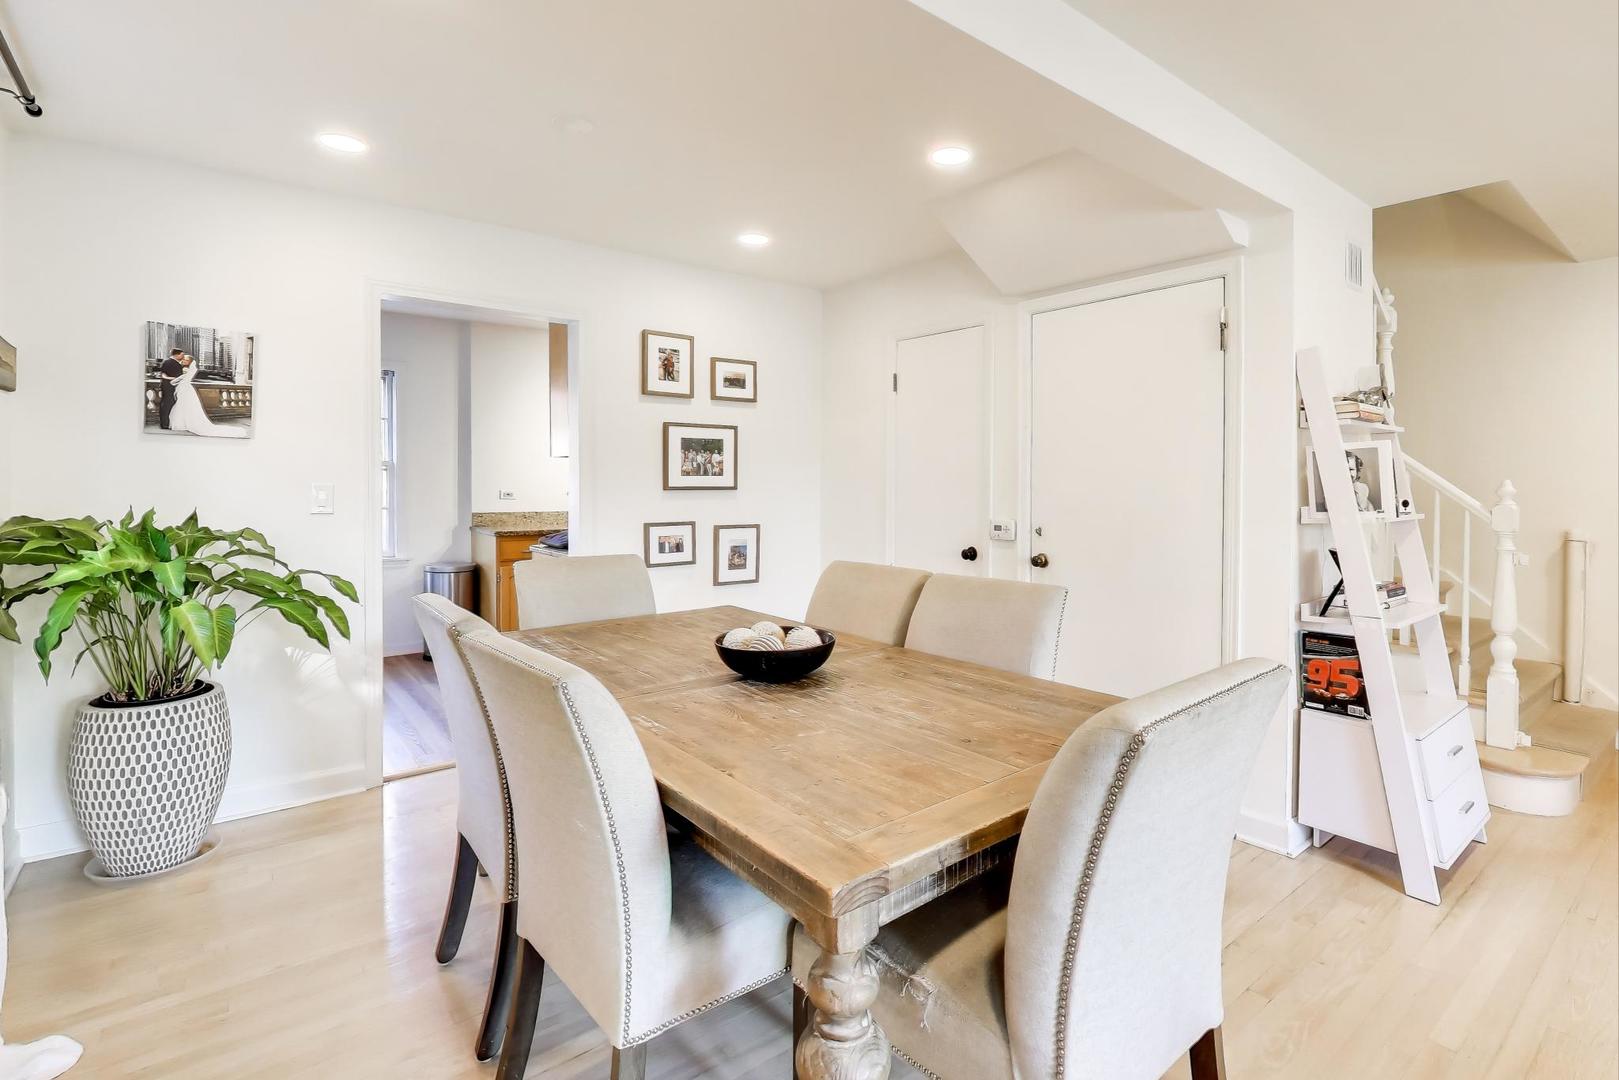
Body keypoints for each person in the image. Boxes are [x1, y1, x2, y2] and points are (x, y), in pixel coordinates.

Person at [167, 355, 248, 438]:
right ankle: (184, 422)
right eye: (184, 359)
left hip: (185, 389)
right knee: (185, 406)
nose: (184, 361)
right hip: (186, 388)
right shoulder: (191, 369)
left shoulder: (186, 369)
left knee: (183, 405)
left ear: (190, 362)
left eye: (186, 360)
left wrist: (169, 379)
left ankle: (182, 423)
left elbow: (178, 380)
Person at [155, 348, 185, 430]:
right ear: (176, 354)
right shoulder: (174, 363)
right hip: (170, 387)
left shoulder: (166, 362)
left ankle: (165, 423)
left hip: (167, 387)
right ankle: (166, 424)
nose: (183, 356)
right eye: (182, 355)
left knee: (166, 404)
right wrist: (175, 379)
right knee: (168, 405)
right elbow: (164, 375)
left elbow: (163, 374)